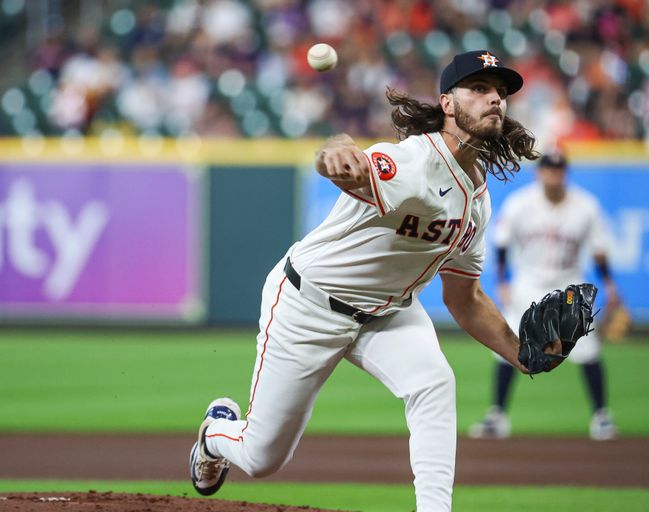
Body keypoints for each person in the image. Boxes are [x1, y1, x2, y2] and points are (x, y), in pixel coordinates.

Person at [189, 50, 545, 511]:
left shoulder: (477, 199)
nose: (494, 98)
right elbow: (349, 162)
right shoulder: (413, 163)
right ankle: (215, 434)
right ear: (448, 104)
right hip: (310, 304)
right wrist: (334, 152)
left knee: (434, 383)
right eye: (478, 88)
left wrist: (523, 355)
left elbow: (466, 299)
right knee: (261, 457)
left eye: (499, 92)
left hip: (389, 313)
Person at [468, 148, 622, 441]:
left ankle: (601, 416)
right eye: (549, 169)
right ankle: (497, 415)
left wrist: (611, 285)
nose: (554, 174)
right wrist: (502, 282)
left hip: (569, 287)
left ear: (565, 173)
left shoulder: (586, 206)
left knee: (588, 350)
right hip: (528, 284)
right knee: (506, 343)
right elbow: (501, 246)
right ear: (540, 173)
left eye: (559, 169)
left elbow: (599, 251)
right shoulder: (520, 204)